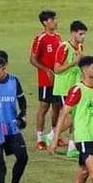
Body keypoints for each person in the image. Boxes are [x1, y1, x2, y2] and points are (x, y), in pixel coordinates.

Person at [0, 51, 30, 183]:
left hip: (12, 128)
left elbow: (22, 101)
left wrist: (22, 116)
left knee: (23, 157)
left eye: (4, 67)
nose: (3, 71)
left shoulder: (14, 81)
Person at [52, 20, 87, 159]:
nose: (83, 37)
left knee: (76, 117)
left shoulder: (80, 47)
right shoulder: (64, 47)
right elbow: (56, 69)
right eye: (81, 34)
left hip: (75, 87)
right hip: (64, 88)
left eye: (84, 34)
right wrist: (74, 62)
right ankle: (52, 135)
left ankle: (72, 148)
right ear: (73, 33)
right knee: (71, 118)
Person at [29, 9, 63, 151]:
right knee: (44, 107)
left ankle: (54, 135)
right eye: (52, 19)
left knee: (57, 108)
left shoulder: (58, 38)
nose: (55, 21)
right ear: (45, 22)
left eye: (55, 19)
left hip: (58, 80)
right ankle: (39, 138)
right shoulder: (40, 39)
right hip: (45, 80)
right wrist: (46, 70)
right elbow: (32, 59)